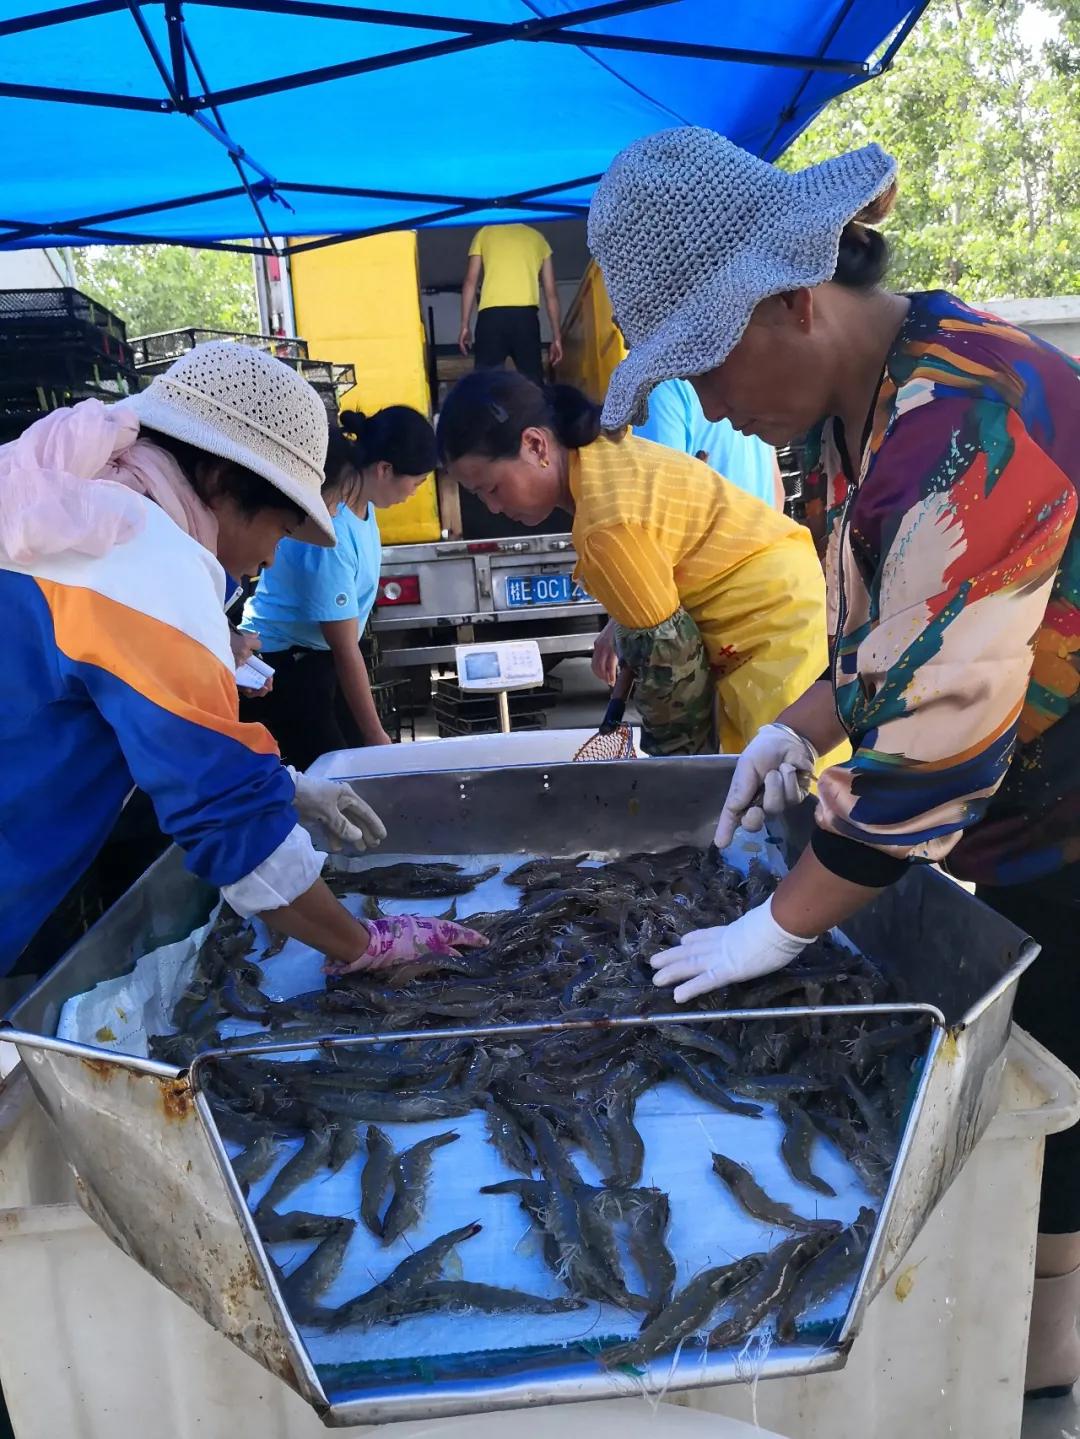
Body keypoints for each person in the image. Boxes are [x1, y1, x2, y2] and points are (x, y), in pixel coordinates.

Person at [589, 126, 1079, 1395]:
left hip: (1069, 811)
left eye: (708, 358)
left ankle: (1038, 1366)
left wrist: (777, 926)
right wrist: (798, 725)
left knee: (1067, 1080)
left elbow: (933, 751)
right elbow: (885, 647)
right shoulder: (865, 405)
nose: (708, 402)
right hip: (1040, 809)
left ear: (797, 300)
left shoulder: (956, 422)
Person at [0, 343, 483, 1004]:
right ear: (224, 485)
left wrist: (282, 785)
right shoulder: (143, 558)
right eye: (282, 529)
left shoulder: (77, 492)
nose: (267, 558)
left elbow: (158, 733)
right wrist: (363, 944)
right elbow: (230, 823)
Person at [437, 368, 837, 760]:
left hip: (770, 620)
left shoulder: (604, 523)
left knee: (788, 786)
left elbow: (674, 674)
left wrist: (673, 775)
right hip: (780, 585)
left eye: (491, 488)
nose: (492, 507)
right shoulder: (599, 453)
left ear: (536, 445)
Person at [240, 406, 435, 770]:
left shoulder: (363, 505)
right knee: (332, 772)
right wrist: (376, 736)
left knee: (352, 762)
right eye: (417, 483)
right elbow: (344, 647)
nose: (415, 493)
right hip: (285, 663)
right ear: (384, 469)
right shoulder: (332, 535)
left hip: (320, 656)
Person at [592, 376, 785, 686]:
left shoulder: (661, 391)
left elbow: (660, 517)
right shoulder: (746, 382)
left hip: (710, 616)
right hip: (774, 594)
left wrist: (623, 620)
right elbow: (777, 495)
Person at [458, 223, 563, 384]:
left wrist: (465, 325)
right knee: (533, 384)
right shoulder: (538, 238)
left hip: (491, 319)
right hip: (525, 318)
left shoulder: (484, 233)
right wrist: (557, 336)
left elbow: (470, 282)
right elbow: (551, 293)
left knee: (485, 386)